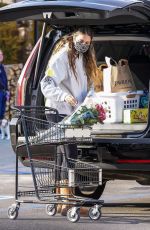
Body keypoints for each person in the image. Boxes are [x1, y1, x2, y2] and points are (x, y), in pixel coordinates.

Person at [40, 27, 99, 215]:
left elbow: (89, 85)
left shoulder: (85, 58)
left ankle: (61, 202)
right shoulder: (63, 56)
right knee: (69, 153)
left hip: (73, 113)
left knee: (62, 155)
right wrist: (64, 96)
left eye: (88, 43)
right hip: (58, 110)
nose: (84, 45)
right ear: (74, 38)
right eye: (81, 41)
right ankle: (68, 201)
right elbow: (46, 83)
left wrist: (90, 98)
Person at [0, 49, 8, 130]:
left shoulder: (2, 66)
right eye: (0, 54)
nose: (1, 56)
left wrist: (7, 90)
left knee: (2, 111)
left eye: (1, 54)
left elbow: (5, 80)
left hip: (3, 92)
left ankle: (1, 130)